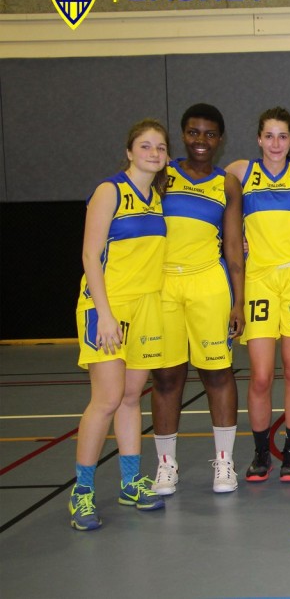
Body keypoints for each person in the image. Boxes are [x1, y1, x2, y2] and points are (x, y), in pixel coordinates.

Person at [70, 119, 170, 531]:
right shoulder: (109, 191)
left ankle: (131, 483)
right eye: (145, 146)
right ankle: (82, 492)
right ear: (129, 152)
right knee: (107, 399)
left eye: (160, 147)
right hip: (107, 307)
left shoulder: (157, 198)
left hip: (147, 307)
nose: (154, 153)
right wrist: (106, 314)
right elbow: (90, 255)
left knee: (131, 397)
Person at [151, 104, 245, 496]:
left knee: (217, 373)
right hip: (164, 286)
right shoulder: (162, 174)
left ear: (220, 139)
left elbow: (234, 248)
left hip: (209, 284)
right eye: (193, 132)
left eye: (209, 133)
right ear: (182, 135)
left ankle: (224, 462)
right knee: (166, 376)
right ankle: (165, 466)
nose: (200, 140)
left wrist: (239, 301)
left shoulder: (227, 184)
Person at [226, 107, 290, 482]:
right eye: (269, 136)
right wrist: (230, 236)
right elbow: (206, 195)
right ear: (259, 139)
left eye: (283, 136)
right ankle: (261, 452)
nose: (276, 143)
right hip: (258, 279)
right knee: (261, 375)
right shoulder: (240, 171)